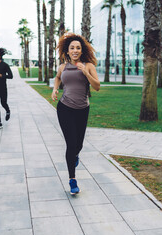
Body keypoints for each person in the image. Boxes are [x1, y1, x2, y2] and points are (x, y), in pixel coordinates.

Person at [51, 33, 100, 195]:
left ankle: (75, 155)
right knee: (71, 145)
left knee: (78, 145)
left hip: (82, 109)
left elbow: (97, 86)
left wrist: (86, 72)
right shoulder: (62, 67)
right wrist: (55, 88)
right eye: (72, 48)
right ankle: (72, 180)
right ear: (67, 50)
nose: (75, 50)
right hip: (64, 108)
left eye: (78, 48)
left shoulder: (89, 66)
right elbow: (58, 78)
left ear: (82, 50)